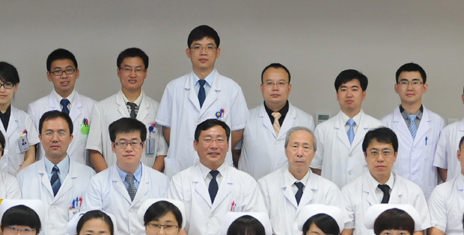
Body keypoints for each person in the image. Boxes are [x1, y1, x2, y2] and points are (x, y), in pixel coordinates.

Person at [167, 119, 265, 235]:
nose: (214, 146)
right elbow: (175, 226)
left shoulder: (246, 182)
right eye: (207, 140)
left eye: (220, 140)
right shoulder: (179, 181)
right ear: (195, 145)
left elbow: (253, 226)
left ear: (227, 146)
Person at [157, 25, 248, 177]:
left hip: (218, 164)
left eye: (209, 47)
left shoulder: (232, 88)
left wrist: (216, 148)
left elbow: (237, 131)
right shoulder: (173, 87)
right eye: (197, 47)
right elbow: (167, 129)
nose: (203, 52)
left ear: (218, 52)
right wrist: (187, 148)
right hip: (182, 163)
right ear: (188, 52)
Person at [82, 118, 169, 235]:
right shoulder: (97, 182)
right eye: (122, 143)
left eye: (134, 143)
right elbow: (91, 228)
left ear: (143, 146)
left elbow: (168, 226)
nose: (129, 148)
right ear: (113, 147)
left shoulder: (161, 181)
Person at [340, 127, 430, 235]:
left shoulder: (413, 191)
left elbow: (419, 233)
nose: (380, 158)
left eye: (386, 152)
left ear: (395, 155)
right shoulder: (349, 191)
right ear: (365, 156)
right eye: (374, 152)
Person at [17, 111, 95, 235]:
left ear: (71, 138)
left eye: (61, 133)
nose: (55, 138)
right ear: (40, 137)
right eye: (49, 133)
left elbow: (93, 220)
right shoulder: (23, 177)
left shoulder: (89, 175)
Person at [258, 127, 342, 235]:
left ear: (314, 153)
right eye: (295, 146)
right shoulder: (265, 185)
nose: (300, 153)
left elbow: (334, 232)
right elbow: (260, 228)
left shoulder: (329, 190)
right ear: (286, 151)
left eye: (306, 147)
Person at [86, 48, 167, 172]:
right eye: (127, 69)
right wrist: (108, 180)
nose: (132, 74)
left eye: (138, 69)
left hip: (148, 180)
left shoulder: (158, 109)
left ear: (145, 73)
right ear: (118, 72)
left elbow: (162, 152)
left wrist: (151, 180)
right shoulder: (101, 108)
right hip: (111, 179)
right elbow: (94, 150)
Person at [238, 63, 315, 180]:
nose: (275, 88)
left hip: (291, 186)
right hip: (254, 186)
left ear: (289, 88)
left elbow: (310, 157)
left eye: (281, 83)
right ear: (262, 87)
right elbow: (235, 152)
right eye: (269, 83)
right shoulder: (246, 117)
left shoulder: (306, 120)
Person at [380, 63, 446, 199]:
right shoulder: (384, 123)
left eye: (415, 82)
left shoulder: (438, 122)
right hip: (395, 196)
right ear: (396, 88)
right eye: (404, 82)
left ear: (424, 87)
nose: (410, 87)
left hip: (427, 196)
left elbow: (442, 165)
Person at [310, 69, 384, 188]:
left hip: (367, 194)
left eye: (354, 89)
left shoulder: (378, 127)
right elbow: (315, 167)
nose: (349, 94)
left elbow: (384, 166)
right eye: (343, 89)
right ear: (337, 95)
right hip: (333, 195)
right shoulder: (323, 129)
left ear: (363, 94)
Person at [27, 48, 97, 168]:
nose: (64, 76)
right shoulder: (35, 108)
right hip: (46, 174)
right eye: (58, 71)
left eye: (69, 70)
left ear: (77, 73)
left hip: (82, 174)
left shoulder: (93, 107)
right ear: (49, 76)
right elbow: (31, 152)